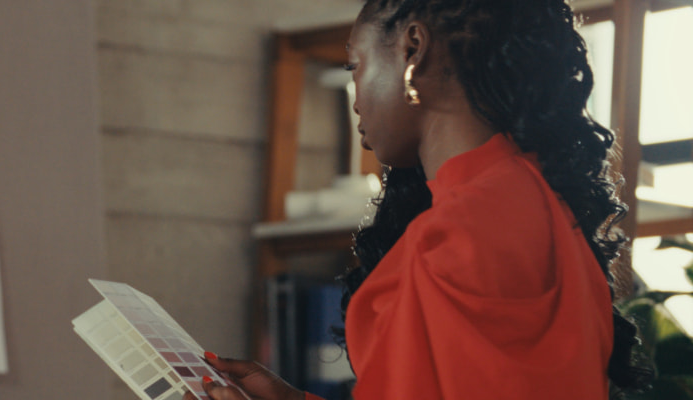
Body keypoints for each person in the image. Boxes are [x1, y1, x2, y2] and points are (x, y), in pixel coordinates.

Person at [186, 0, 656, 399]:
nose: (355, 98)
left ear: (413, 48)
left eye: (356, 67)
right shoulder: (544, 206)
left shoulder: (454, 235)